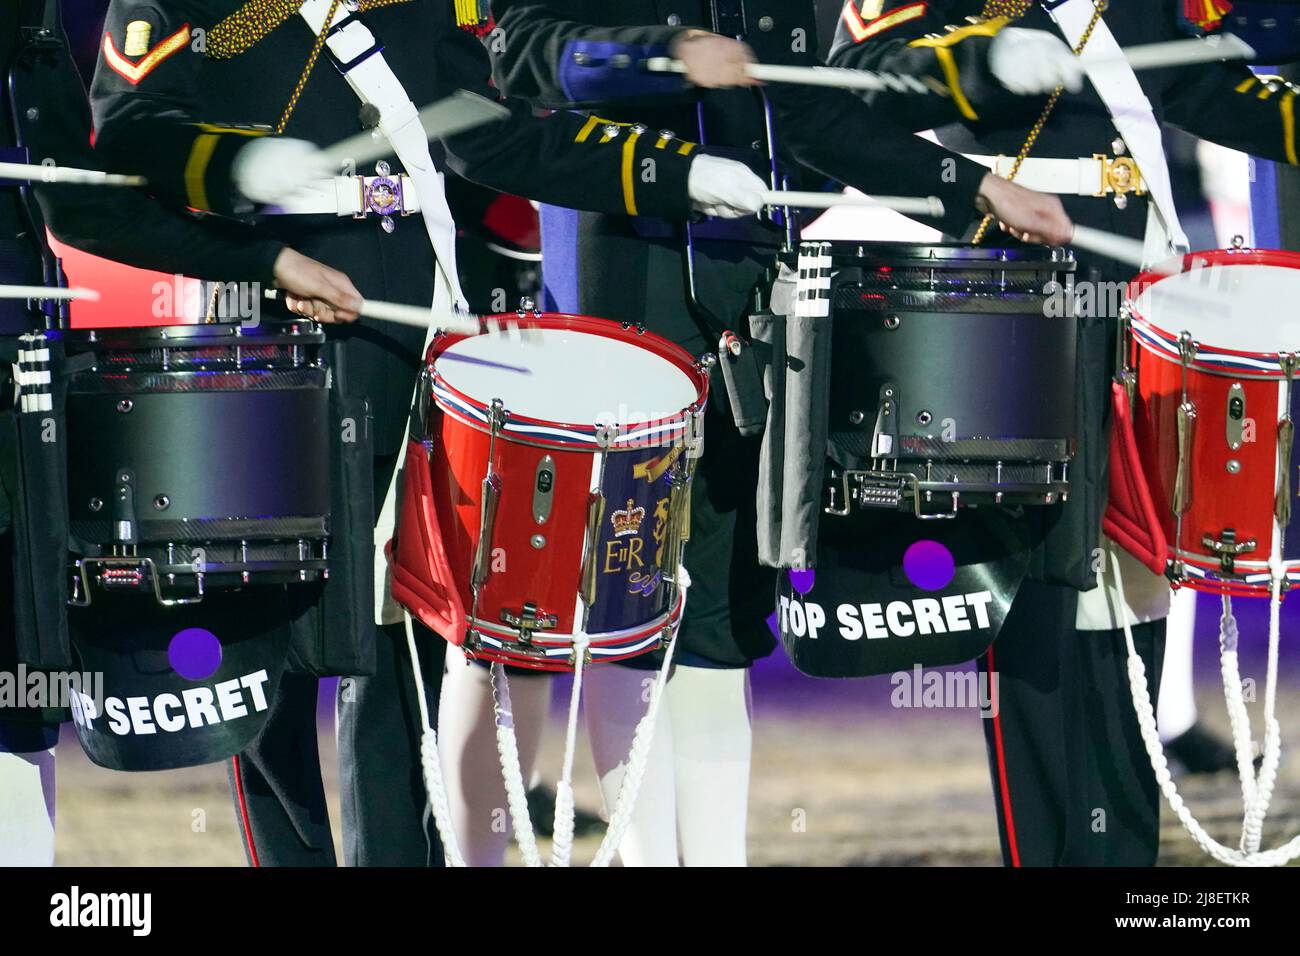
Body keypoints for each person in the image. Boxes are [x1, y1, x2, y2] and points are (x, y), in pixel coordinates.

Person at [89, 0, 769, 866]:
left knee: (399, 646)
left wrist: (675, 173)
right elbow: (131, 132)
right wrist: (240, 178)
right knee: (265, 664)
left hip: (406, 345)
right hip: (257, 348)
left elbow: (493, 136)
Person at [446, 0, 1074, 866]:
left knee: (719, 623)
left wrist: (972, 190)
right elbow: (523, 57)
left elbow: (809, 113)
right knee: (620, 615)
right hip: (615, 301)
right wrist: (668, 53)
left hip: (749, 310)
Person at [830, 0, 1299, 865]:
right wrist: (984, 62)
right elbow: (860, 82)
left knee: (1132, 590)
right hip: (1009, 282)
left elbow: (1191, 83)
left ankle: (1120, 861)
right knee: (1040, 593)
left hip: (1139, 283)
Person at [0, 0, 361, 866]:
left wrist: (264, 259)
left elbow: (81, 204)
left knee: (16, 707)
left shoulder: (36, 22)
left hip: (14, 364)